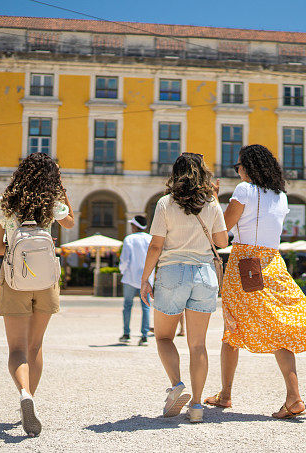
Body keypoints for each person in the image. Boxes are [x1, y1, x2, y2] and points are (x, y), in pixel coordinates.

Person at [204, 144, 306, 419]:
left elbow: (221, 232)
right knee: (280, 328)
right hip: (273, 263)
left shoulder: (244, 190)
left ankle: (226, 394)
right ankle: (293, 395)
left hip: (244, 264)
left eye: (239, 167)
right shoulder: (281, 196)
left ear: (248, 167)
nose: (238, 172)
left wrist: (214, 199)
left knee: (232, 328)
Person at [0, 152, 75, 437]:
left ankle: (24, 394)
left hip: (15, 280)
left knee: (17, 349)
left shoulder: (6, 201)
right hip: (45, 280)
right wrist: (60, 190)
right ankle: (31, 400)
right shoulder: (52, 204)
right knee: (35, 346)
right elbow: (71, 223)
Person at [140, 152, 228, 423]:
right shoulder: (211, 202)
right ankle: (198, 406)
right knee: (198, 344)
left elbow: (156, 245)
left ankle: (177, 385)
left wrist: (145, 279)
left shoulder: (165, 203)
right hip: (204, 275)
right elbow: (222, 242)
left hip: (173, 272)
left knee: (164, 338)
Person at [118, 215, 153, 346]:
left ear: (135, 226)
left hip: (130, 278)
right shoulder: (150, 239)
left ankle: (126, 334)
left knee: (127, 306)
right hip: (147, 278)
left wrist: (123, 271)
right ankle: (144, 336)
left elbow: (124, 260)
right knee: (146, 307)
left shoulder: (129, 239)